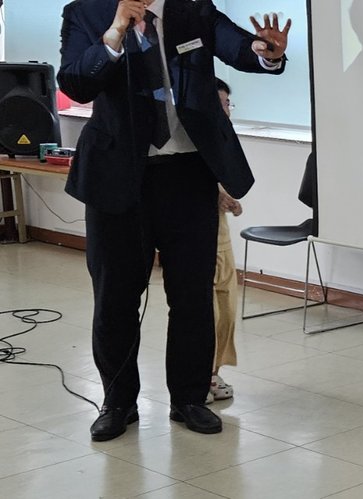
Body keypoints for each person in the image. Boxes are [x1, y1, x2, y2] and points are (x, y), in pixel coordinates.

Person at [58, 0, 290, 441]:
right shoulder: (85, 12)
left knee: (192, 296)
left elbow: (240, 47)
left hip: (188, 173)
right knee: (115, 297)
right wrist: (114, 35)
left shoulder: (193, 9)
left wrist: (268, 53)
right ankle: (118, 402)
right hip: (116, 175)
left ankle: (189, 398)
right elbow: (74, 82)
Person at [209, 77, 241, 404]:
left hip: (221, 236)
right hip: (195, 237)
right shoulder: (186, 140)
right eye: (220, 104)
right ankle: (199, 375)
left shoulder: (223, 139)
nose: (226, 111)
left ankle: (214, 372)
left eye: (228, 104)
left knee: (227, 311)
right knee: (207, 314)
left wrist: (228, 198)